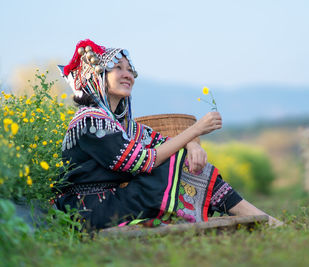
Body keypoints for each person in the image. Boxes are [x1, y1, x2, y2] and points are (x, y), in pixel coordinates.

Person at [55, 39, 282, 230]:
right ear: (95, 77)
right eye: (118, 68)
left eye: (130, 69)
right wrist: (196, 130)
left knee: (184, 162)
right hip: (90, 209)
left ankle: (261, 219)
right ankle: (263, 221)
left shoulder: (121, 124)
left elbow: (164, 142)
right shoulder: (91, 122)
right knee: (173, 166)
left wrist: (193, 144)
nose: (128, 75)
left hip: (112, 202)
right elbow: (142, 162)